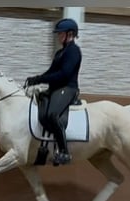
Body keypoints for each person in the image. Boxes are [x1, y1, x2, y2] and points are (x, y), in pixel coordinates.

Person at [26, 18, 82, 165]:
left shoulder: (73, 51)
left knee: (53, 114)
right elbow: (51, 72)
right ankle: (44, 149)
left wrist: (40, 79)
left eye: (60, 33)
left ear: (70, 34)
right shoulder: (60, 53)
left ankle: (64, 152)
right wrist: (36, 78)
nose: (58, 36)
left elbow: (64, 74)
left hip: (68, 88)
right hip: (56, 89)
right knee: (42, 111)